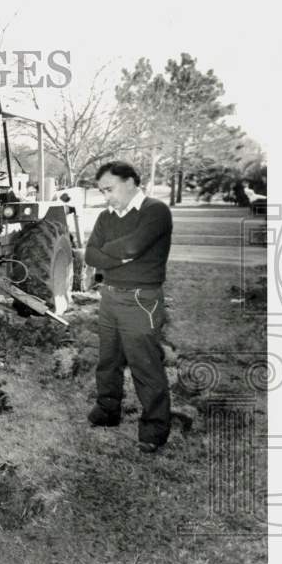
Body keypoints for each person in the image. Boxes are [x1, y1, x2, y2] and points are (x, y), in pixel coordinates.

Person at [82, 161, 173, 454]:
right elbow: (90, 256)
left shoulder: (155, 211)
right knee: (108, 361)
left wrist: (110, 253)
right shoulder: (106, 217)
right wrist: (116, 257)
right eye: (102, 191)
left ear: (131, 181)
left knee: (145, 365)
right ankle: (108, 411)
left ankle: (154, 429)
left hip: (140, 300)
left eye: (109, 189)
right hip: (108, 297)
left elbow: (134, 247)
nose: (106, 196)